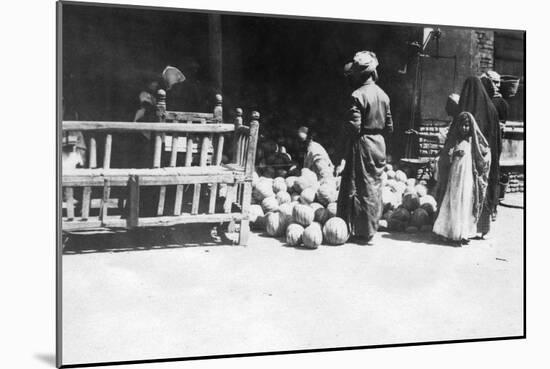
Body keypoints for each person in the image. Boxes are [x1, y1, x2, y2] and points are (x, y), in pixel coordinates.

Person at [335, 51, 393, 245]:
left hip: (363, 144)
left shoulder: (357, 95)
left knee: (359, 186)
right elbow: (390, 127)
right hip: (379, 144)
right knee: (374, 186)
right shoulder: (384, 95)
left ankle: (359, 230)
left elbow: (354, 127)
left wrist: (344, 146)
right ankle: (370, 229)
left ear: (360, 74)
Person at [432, 112, 491, 245]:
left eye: (467, 126)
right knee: (454, 200)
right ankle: (450, 233)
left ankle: (463, 233)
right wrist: (454, 154)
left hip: (467, 177)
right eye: (462, 126)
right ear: (458, 126)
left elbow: (483, 153)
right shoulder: (455, 140)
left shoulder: (473, 141)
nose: (464, 129)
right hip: (455, 177)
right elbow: (445, 156)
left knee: (465, 201)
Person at [456, 76, 502, 237]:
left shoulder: (468, 110)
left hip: (470, 158)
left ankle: (466, 227)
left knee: (469, 189)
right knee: (484, 188)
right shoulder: (492, 109)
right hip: (489, 157)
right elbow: (498, 140)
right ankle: (483, 228)